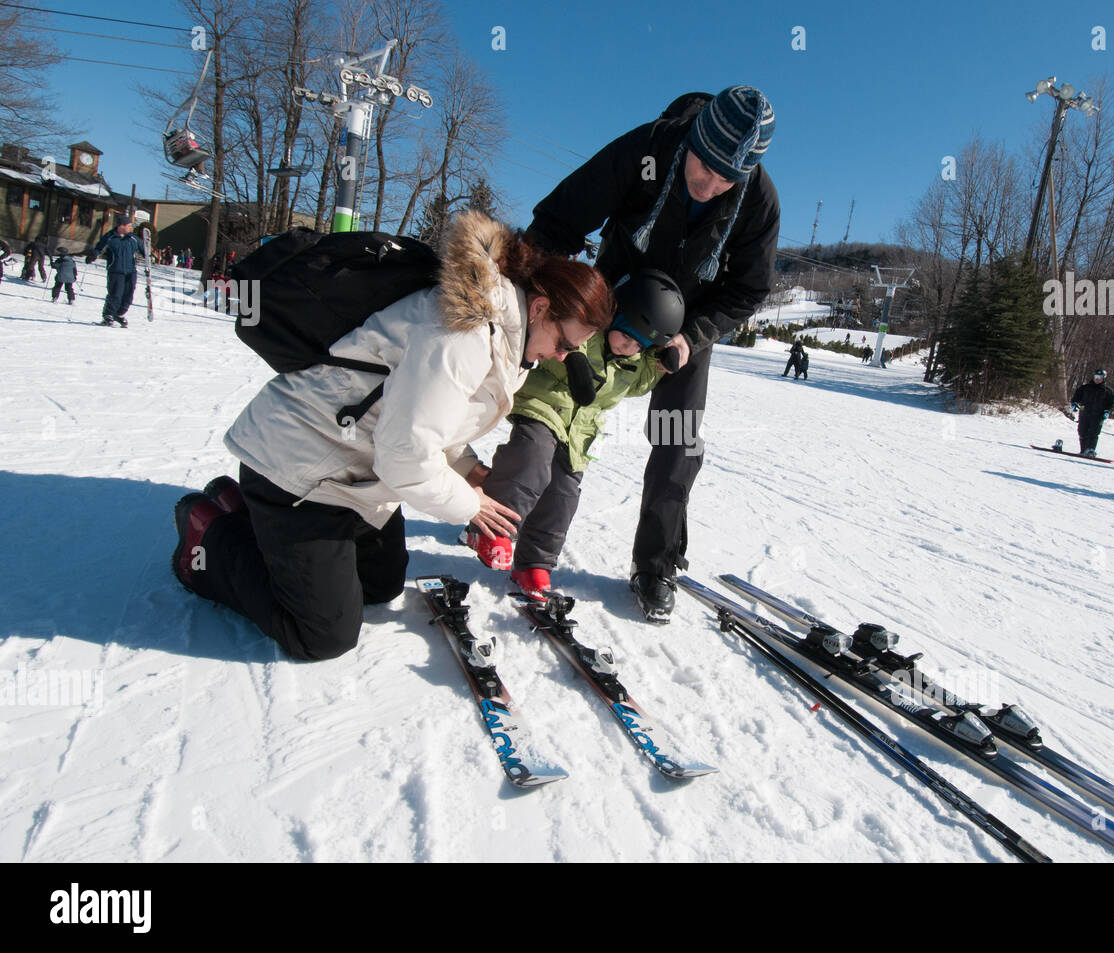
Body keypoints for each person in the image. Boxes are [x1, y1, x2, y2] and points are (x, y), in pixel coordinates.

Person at [169, 211, 614, 661]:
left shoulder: (506, 338)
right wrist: (469, 503)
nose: (561, 356)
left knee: (380, 585)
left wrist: (467, 468)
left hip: (353, 468)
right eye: (564, 342)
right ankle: (211, 534)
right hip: (298, 468)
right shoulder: (465, 336)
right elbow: (404, 456)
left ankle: (250, 514)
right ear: (540, 308)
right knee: (322, 635)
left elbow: (431, 416)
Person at [522, 85, 779, 622]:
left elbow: (751, 289)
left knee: (677, 436)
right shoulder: (649, 148)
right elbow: (560, 217)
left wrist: (695, 334)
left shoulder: (757, 199)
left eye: (726, 179)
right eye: (704, 170)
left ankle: (656, 564)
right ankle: (504, 507)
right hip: (615, 290)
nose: (710, 188)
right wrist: (532, 296)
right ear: (691, 141)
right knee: (560, 400)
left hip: (685, 322)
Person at [466, 270, 686, 599]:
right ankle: (487, 530)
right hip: (543, 407)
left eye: (640, 344)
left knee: (563, 496)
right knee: (532, 461)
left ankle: (534, 563)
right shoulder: (588, 333)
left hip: (578, 435)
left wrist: (660, 363)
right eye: (626, 335)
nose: (629, 347)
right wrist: (572, 359)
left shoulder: (636, 360)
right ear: (615, 317)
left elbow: (639, 384)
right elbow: (553, 345)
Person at [90, 214, 145, 327]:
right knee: (115, 294)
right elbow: (99, 248)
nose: (131, 228)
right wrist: (93, 255)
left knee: (128, 295)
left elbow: (144, 250)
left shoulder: (133, 238)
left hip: (131, 271)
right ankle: (108, 315)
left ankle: (119, 314)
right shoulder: (110, 237)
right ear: (121, 226)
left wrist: (148, 255)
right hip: (115, 270)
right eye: (129, 225)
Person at [1070, 368, 1114, 457]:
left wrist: (1107, 411)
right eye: (1096, 376)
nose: (1097, 379)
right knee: (1082, 431)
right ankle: (1083, 450)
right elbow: (1076, 397)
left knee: (1093, 433)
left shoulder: (1108, 391)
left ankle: (1091, 450)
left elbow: (1111, 403)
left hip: (1098, 415)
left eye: (1100, 377)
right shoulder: (1085, 388)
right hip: (1084, 413)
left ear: (1103, 378)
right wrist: (1074, 403)